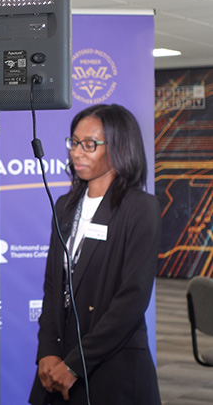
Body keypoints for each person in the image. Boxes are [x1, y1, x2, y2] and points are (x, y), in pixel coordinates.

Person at [28, 104, 161, 405]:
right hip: (57, 366)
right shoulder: (64, 205)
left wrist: (76, 365)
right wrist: (47, 352)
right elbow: (53, 287)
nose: (77, 152)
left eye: (90, 145)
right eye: (74, 142)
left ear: (119, 147)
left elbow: (132, 299)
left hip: (113, 368)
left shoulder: (140, 208)